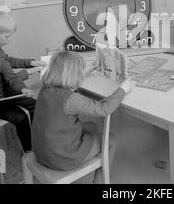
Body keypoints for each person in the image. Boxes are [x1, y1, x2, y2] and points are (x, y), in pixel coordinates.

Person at [32, 50, 132, 184]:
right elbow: (104, 109)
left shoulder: (45, 87)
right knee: (111, 140)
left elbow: (67, 80)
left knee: (92, 126)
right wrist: (123, 89)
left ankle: (89, 146)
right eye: (79, 72)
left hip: (42, 153)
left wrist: (87, 70)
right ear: (74, 75)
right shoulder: (71, 99)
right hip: (62, 158)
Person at [0, 11, 45, 153]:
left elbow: (10, 61)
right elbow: (11, 78)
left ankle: (38, 138)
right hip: (2, 99)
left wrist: (30, 62)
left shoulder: (1, 53)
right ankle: (29, 150)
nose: (10, 40)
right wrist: (23, 88)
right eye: (7, 36)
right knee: (20, 118)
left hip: (8, 92)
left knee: (35, 105)